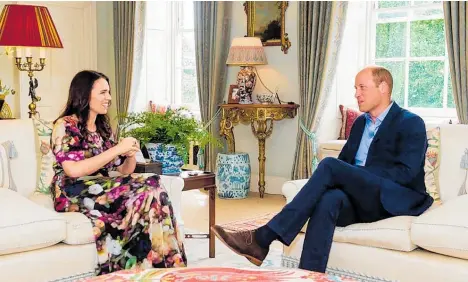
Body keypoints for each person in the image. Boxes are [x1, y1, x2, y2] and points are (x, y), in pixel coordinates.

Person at [211, 66, 434, 272]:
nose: (357, 93)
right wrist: (353, 179)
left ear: (383, 87)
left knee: (329, 164)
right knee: (329, 199)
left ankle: (263, 238)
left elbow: (406, 173)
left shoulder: (410, 122)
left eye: (362, 87)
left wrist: (359, 177)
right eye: (355, 88)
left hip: (391, 199)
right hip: (361, 200)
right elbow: (346, 165)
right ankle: (310, 275)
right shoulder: (360, 124)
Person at [50, 70, 187, 275]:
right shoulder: (66, 125)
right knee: (148, 185)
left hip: (101, 186)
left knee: (152, 184)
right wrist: (117, 149)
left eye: (109, 92)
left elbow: (123, 170)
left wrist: (131, 153)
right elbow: (73, 170)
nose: (109, 98)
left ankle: (163, 269)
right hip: (72, 190)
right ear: (85, 94)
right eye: (103, 92)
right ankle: (155, 268)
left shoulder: (102, 127)